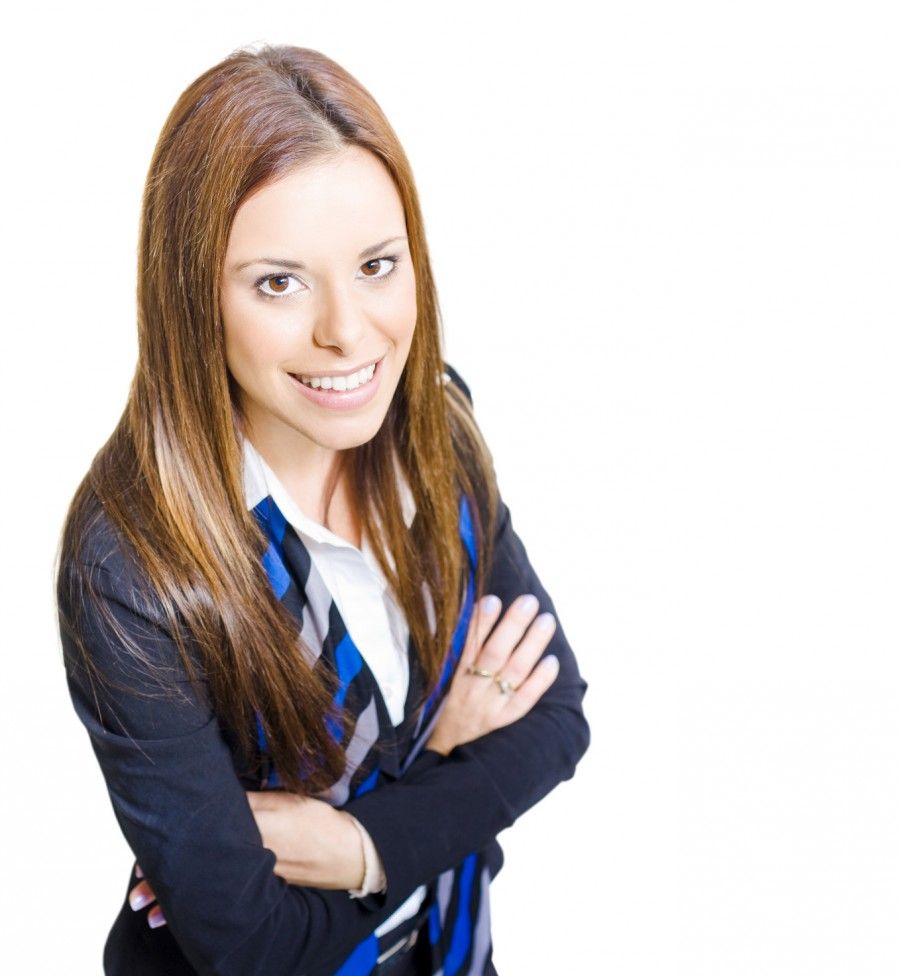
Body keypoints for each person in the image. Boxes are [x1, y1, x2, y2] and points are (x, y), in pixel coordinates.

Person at [55, 43, 591, 976]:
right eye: (279, 282)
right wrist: (446, 775)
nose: (347, 330)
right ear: (193, 300)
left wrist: (355, 848)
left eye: (378, 265)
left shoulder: (437, 427)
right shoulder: (128, 567)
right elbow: (250, 945)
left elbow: (558, 720)